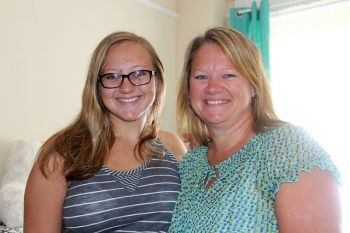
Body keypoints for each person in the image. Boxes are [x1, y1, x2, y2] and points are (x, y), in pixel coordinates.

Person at [168, 26, 342, 232]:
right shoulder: (191, 164)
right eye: (201, 77)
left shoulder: (290, 150)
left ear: (253, 86)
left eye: (229, 75)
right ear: (188, 90)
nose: (213, 87)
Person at [24, 31, 186, 233]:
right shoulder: (61, 153)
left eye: (138, 73)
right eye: (112, 76)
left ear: (158, 81)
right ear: (97, 86)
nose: (126, 87)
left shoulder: (173, 147)